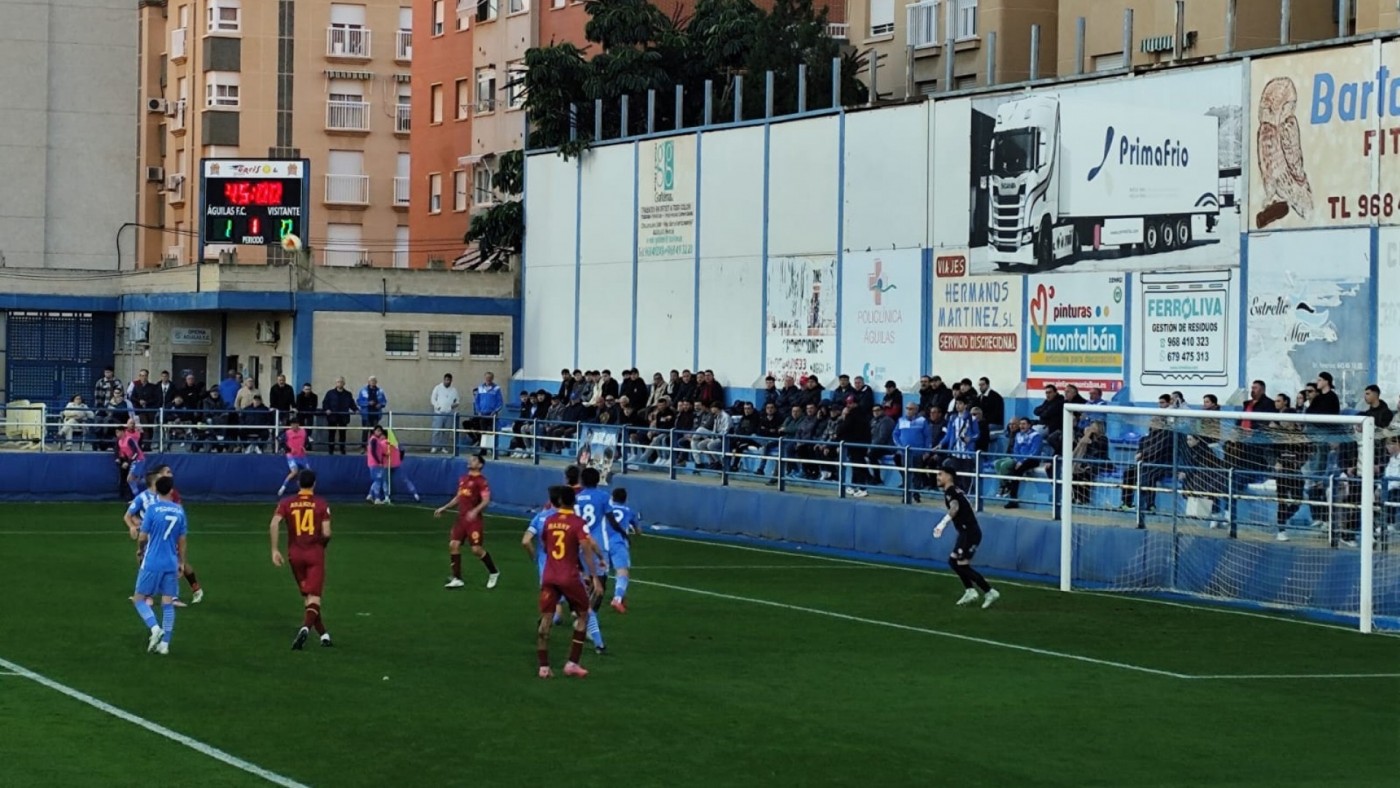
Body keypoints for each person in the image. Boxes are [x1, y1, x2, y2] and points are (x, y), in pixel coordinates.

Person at [528, 485, 603, 679]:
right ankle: (572, 663)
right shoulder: (578, 523)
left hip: (549, 575)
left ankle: (543, 667)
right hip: (569, 576)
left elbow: (545, 545)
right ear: (574, 501)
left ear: (560, 501)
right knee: (584, 614)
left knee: (546, 619)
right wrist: (594, 576)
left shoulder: (549, 520)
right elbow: (586, 548)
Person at [269, 470, 334, 650]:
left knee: (308, 596)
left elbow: (274, 523)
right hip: (314, 553)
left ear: (298, 484)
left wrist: (274, 550)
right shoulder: (321, 504)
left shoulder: (287, 502)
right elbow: (327, 532)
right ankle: (305, 628)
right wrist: (323, 543)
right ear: (314, 484)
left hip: (295, 554)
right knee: (315, 597)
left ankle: (323, 635)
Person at [124, 464, 203, 606]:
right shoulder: (146, 497)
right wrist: (134, 524)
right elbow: (131, 514)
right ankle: (149, 595)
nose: (170, 474)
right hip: (153, 536)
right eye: (167, 472)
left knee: (175, 562)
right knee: (151, 563)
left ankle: (177, 595)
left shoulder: (171, 494)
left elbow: (176, 513)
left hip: (167, 535)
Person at [131, 477, 187, 655]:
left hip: (152, 561)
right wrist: (181, 561)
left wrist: (140, 551)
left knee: (139, 599)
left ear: (156, 490)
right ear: (171, 490)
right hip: (171, 562)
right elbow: (182, 540)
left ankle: (155, 628)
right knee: (168, 603)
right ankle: (165, 644)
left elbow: (142, 536)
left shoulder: (153, 509)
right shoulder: (179, 510)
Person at [933, 460, 999, 609]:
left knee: (962, 565)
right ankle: (969, 590)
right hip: (965, 532)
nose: (937, 477)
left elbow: (954, 507)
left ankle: (989, 591)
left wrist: (942, 524)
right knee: (953, 562)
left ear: (948, 477)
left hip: (969, 532)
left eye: (940, 474)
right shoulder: (955, 490)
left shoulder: (951, 492)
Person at [433, 452, 500, 589]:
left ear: (480, 465)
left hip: (474, 521)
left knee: (476, 549)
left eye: (474, 460)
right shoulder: (463, 479)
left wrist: (475, 511)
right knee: (453, 545)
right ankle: (457, 578)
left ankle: (493, 572)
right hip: (461, 519)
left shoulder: (482, 481)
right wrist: (445, 507)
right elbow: (459, 497)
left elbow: (486, 500)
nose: (470, 462)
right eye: (470, 460)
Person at [572, 467, 613, 652]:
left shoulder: (577, 498)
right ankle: (588, 621)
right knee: (600, 585)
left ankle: (581, 616)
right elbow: (610, 517)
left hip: (580, 543)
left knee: (585, 583)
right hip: (597, 543)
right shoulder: (603, 496)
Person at [605, 487, 641, 613]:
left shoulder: (606, 509)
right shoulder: (630, 511)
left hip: (603, 542)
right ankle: (617, 598)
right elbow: (638, 531)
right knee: (622, 571)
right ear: (625, 499)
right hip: (618, 543)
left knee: (598, 573)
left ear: (612, 497)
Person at [278, 418, 312, 496]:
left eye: (295, 424)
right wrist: (289, 449)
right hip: (291, 456)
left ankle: (308, 490)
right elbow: (281, 442)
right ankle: (283, 487)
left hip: (302, 456)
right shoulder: (287, 433)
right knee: (294, 471)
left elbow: (307, 441)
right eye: (292, 424)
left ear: (298, 424)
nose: (293, 426)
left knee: (309, 472)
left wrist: (305, 447)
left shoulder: (303, 432)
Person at [430, 373, 461, 454]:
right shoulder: (438, 388)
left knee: (446, 431)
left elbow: (457, 401)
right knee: (436, 430)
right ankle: (434, 447)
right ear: (444, 380)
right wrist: (437, 406)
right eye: (446, 380)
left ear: (451, 381)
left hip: (449, 413)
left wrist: (452, 407)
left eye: (449, 380)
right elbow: (433, 399)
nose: (447, 381)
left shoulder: (454, 390)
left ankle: (444, 447)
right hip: (439, 413)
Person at [116, 420, 145, 498]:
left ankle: (137, 497)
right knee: (133, 480)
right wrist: (122, 460)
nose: (117, 434)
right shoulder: (119, 442)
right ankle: (138, 496)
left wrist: (128, 462)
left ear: (122, 432)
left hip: (139, 459)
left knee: (130, 479)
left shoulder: (129, 440)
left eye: (118, 432)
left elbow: (136, 452)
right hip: (133, 460)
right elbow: (125, 453)